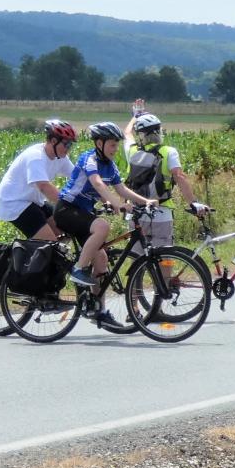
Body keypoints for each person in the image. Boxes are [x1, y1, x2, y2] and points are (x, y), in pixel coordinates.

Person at [57, 122, 156, 324]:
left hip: (83, 213)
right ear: (99, 143)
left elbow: (121, 189)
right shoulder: (89, 159)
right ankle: (78, 269)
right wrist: (118, 204)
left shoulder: (110, 166)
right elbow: (98, 183)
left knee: (101, 259)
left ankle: (98, 311)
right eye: (112, 144)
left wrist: (145, 201)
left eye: (117, 145)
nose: (115, 149)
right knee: (102, 226)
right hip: (66, 209)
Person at [123, 112, 207, 253]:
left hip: (136, 212)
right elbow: (179, 177)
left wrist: (135, 116)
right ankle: (165, 269)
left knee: (137, 258)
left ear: (141, 135)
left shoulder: (132, 151)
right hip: (161, 212)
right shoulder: (169, 152)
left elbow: (127, 133)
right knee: (164, 256)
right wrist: (193, 203)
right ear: (159, 131)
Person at [0, 119, 77, 241]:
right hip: (14, 203)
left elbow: (78, 177)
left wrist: (101, 196)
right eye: (67, 144)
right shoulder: (36, 157)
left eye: (71, 145)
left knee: (66, 230)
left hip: (33, 201)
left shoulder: (60, 157)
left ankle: (46, 251)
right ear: (54, 141)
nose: (69, 148)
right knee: (50, 244)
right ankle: (29, 252)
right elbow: (44, 186)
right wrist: (70, 206)